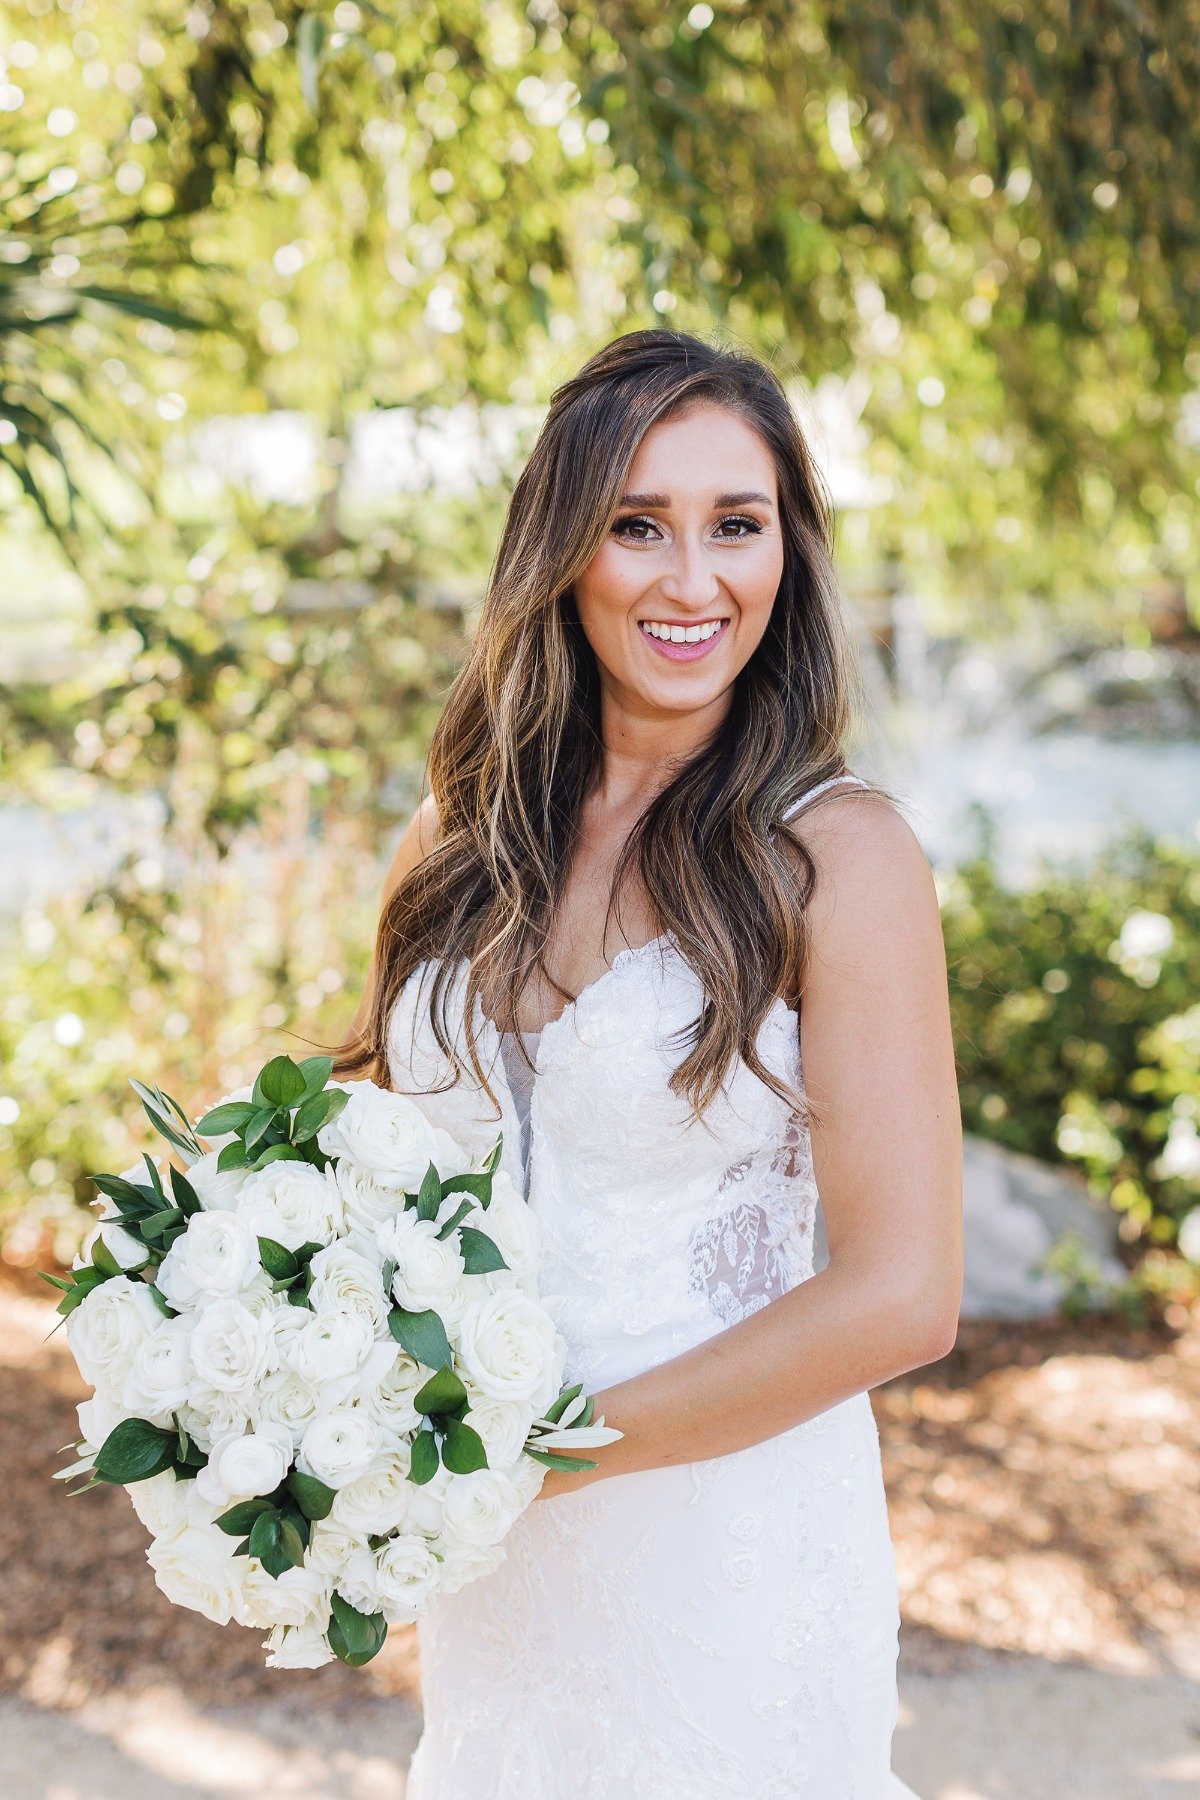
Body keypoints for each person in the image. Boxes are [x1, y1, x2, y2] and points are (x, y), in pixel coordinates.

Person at [338, 329, 962, 1798]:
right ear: (563, 553)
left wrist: (545, 1451)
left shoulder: (837, 856)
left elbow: (903, 1294)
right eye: (639, 526)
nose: (694, 581)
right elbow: (378, 1188)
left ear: (787, 556)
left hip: (725, 1551)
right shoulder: (455, 851)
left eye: (736, 525)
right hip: (497, 1573)